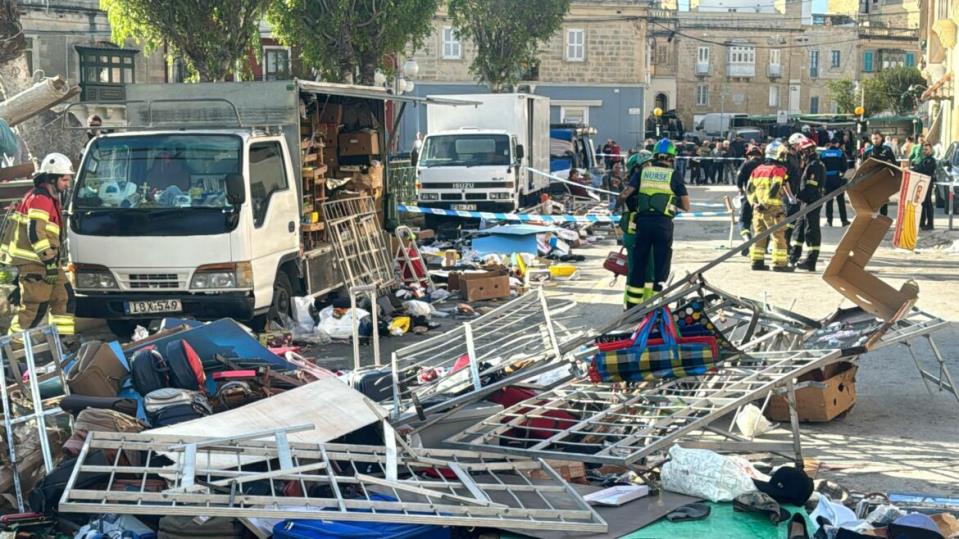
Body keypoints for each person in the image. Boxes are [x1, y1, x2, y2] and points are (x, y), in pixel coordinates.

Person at [0, 153, 76, 338]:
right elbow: (35, 233)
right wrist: (49, 262)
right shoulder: (40, 199)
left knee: (64, 297)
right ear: (52, 178)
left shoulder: (47, 199)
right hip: (37, 262)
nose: (67, 184)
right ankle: (12, 352)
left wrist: (51, 263)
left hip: (45, 262)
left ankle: (61, 343)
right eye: (65, 179)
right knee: (34, 308)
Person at [616, 139, 690, 307]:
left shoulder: (643, 173)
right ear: (672, 157)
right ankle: (658, 306)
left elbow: (624, 195)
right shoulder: (674, 174)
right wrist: (668, 200)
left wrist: (617, 208)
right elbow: (686, 206)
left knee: (639, 264)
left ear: (655, 155)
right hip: (663, 225)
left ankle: (632, 307)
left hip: (643, 224)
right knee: (660, 266)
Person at [746, 141, 795, 272]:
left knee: (759, 235)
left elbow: (749, 190)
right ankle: (780, 264)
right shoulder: (778, 170)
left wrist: (755, 204)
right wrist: (765, 204)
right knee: (778, 236)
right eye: (782, 154)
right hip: (773, 210)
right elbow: (775, 189)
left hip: (757, 210)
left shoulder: (757, 170)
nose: (784, 157)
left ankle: (756, 262)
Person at [617, 151, 655, 305]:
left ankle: (644, 305)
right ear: (636, 169)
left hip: (644, 233)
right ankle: (634, 306)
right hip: (636, 234)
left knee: (648, 273)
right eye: (646, 165)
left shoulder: (641, 185)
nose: (650, 167)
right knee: (637, 273)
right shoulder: (637, 185)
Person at [789, 138, 825, 271]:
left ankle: (811, 261)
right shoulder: (808, 164)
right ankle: (793, 257)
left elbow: (811, 188)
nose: (801, 154)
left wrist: (798, 196)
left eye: (802, 151)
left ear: (808, 151)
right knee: (799, 230)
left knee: (811, 230)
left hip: (812, 202)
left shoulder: (815, 165)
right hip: (805, 202)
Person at [736, 144, 764, 251]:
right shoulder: (765, 165)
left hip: (749, 196)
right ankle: (762, 246)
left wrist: (741, 191)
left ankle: (747, 238)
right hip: (763, 198)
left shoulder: (746, 164)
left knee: (744, 221)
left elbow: (739, 180)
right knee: (761, 223)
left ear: (748, 155)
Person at [864, 131, 897, 215]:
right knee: (872, 202)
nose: (875, 140)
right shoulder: (868, 151)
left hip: (884, 180)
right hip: (872, 181)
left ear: (881, 138)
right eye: (873, 138)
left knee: (883, 201)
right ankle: (872, 220)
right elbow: (862, 167)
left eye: (877, 138)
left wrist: (894, 177)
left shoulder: (887, 149)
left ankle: (883, 220)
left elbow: (894, 163)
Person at [783, 133, 806, 246]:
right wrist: (790, 195)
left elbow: (799, 170)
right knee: (788, 219)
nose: (801, 147)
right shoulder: (786, 157)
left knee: (793, 219)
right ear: (794, 144)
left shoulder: (796, 156)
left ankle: (787, 241)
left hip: (795, 191)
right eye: (799, 145)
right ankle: (784, 242)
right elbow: (784, 179)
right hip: (788, 193)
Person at [821, 138, 850, 227]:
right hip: (837, 179)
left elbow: (821, 166)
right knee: (840, 200)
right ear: (837, 144)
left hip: (827, 180)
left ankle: (829, 221)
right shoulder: (840, 153)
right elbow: (844, 167)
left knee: (829, 201)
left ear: (830, 144)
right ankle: (844, 221)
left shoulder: (823, 153)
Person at [912, 141, 937, 230]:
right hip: (922, 183)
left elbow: (924, 170)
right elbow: (917, 168)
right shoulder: (923, 159)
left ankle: (930, 224)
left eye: (926, 149)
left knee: (928, 203)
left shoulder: (931, 160)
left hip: (927, 183)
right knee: (922, 203)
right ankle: (922, 222)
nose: (924, 151)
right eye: (923, 150)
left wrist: (916, 169)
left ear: (931, 150)